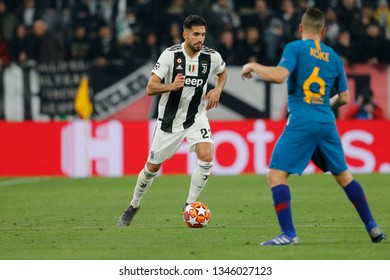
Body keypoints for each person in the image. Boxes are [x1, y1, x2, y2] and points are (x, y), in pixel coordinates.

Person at [241, 8, 386, 245]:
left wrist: (252, 66)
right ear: (324, 30)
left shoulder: (295, 48)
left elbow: (279, 76)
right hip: (326, 121)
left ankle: (289, 234)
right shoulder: (335, 57)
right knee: (344, 176)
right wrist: (322, 105)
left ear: (300, 28)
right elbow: (345, 98)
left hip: (302, 120)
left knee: (276, 175)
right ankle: (373, 227)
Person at [118, 15, 227, 227]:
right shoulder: (170, 55)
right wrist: (171, 86)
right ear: (185, 34)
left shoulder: (211, 56)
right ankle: (134, 205)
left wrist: (218, 89)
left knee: (207, 157)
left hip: (196, 116)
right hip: (170, 121)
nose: (200, 39)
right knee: (151, 168)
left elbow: (222, 73)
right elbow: (150, 87)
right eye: (196, 34)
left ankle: (189, 205)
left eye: (203, 34)